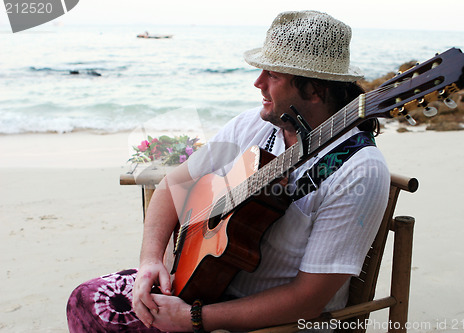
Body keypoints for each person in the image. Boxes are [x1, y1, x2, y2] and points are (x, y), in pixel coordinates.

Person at [67, 10, 390, 332]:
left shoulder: (359, 170)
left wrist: (190, 319)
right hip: (202, 288)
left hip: (272, 322)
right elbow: (174, 185)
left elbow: (307, 300)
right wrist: (152, 261)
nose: (257, 82)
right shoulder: (253, 124)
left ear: (316, 90)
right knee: (84, 299)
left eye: (273, 75)